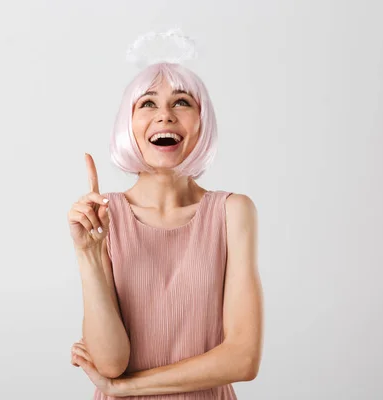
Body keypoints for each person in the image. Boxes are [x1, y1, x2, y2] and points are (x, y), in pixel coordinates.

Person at [67, 61, 264, 399]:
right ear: (128, 125)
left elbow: (243, 359)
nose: (165, 115)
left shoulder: (233, 212)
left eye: (182, 102)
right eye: (147, 103)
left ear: (202, 124)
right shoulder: (102, 216)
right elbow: (110, 363)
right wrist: (89, 254)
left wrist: (126, 387)